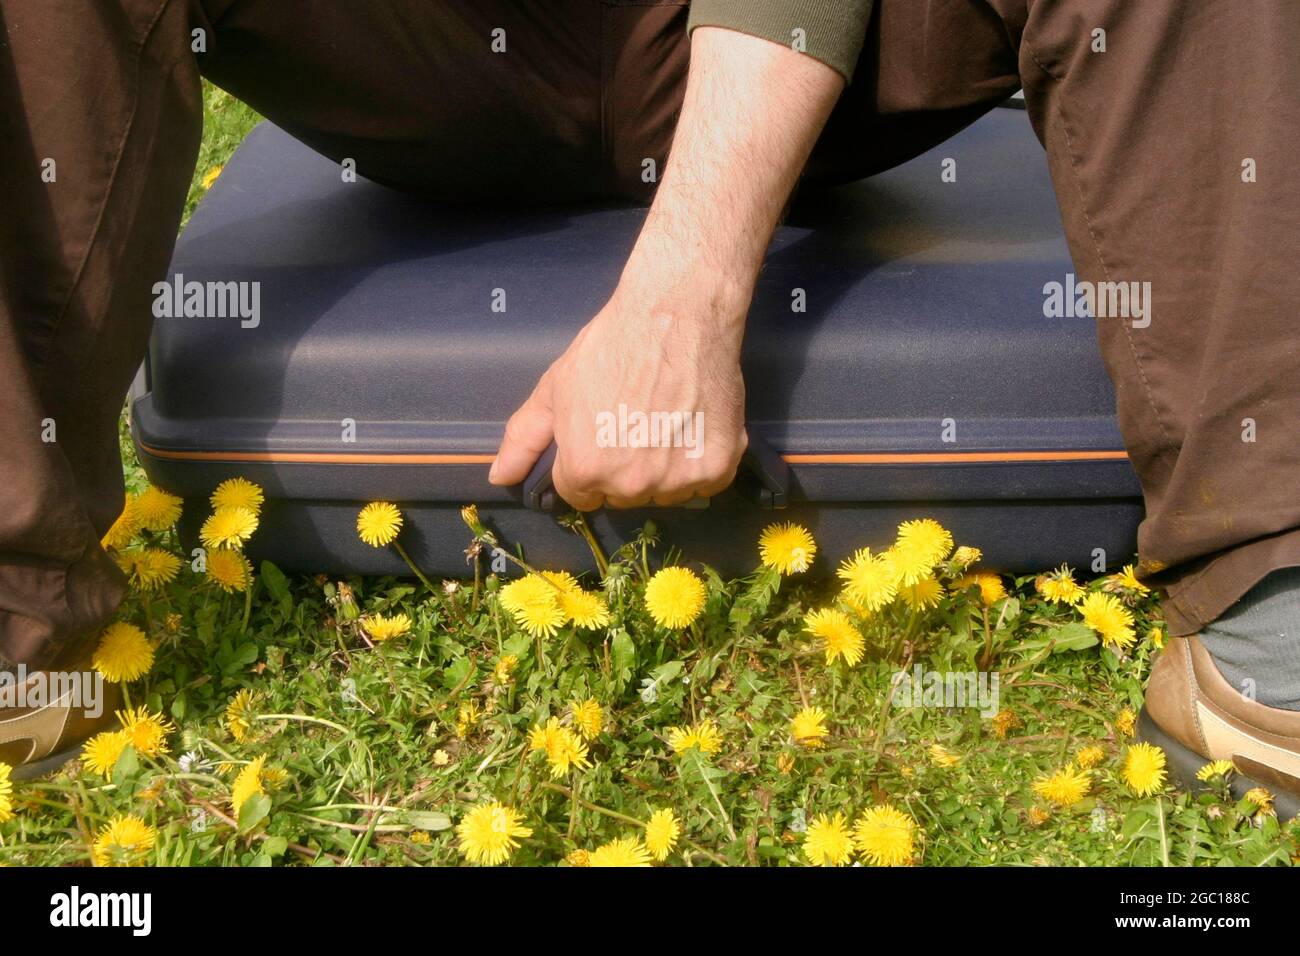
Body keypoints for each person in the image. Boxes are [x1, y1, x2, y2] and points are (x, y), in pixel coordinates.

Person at [1, 1, 1296, 808]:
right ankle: (19, 641)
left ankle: (1270, 631)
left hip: (797, 50)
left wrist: (683, 294)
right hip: (436, 54)